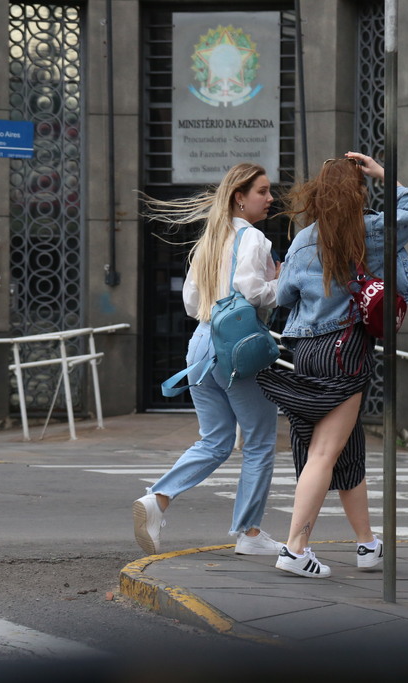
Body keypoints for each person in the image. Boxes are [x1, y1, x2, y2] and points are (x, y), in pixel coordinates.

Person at [256, 152, 408, 577]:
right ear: (358, 193)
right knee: (325, 452)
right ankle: (295, 550)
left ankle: (367, 545)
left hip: (306, 351)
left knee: (344, 451)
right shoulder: (368, 232)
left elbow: (286, 296)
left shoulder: (303, 238)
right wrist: (383, 173)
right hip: (344, 347)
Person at [132, 163, 284, 557]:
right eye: (262, 192)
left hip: (201, 341)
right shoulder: (253, 239)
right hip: (238, 346)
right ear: (240, 197)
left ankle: (158, 499)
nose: (270, 199)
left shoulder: (209, 239)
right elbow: (250, 290)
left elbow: (190, 302)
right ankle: (249, 534)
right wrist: (280, 283)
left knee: (215, 439)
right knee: (259, 441)